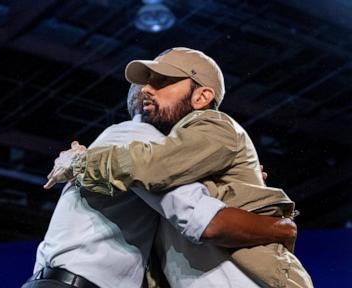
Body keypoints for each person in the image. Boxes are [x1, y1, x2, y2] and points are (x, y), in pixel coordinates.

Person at [45, 47, 313, 287]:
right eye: (146, 82)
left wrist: (80, 162)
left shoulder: (214, 125)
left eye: (163, 81)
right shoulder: (174, 157)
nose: (146, 89)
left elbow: (152, 167)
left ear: (201, 97)